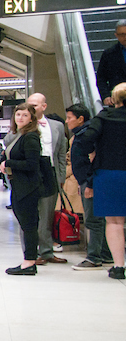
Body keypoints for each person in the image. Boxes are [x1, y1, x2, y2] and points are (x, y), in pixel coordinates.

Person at [71, 83, 126, 280]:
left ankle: (119, 266)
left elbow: (85, 141)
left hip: (109, 173)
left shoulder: (103, 117)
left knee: (114, 222)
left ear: (114, 99)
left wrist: (96, 152)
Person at [66, 103, 113, 270]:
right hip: (87, 180)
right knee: (98, 218)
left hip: (92, 181)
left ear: (80, 119)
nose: (67, 121)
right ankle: (105, 254)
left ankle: (94, 257)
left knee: (93, 220)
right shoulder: (82, 133)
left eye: (70, 118)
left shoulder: (88, 135)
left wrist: (89, 183)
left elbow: (94, 159)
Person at [25, 92, 68, 264]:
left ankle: (47, 252)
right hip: (30, 173)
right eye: (29, 104)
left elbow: (61, 155)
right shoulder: (22, 124)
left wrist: (61, 177)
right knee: (30, 216)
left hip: (50, 172)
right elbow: (9, 143)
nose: (31, 108)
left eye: (35, 105)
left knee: (47, 215)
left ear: (44, 106)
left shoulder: (57, 126)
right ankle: (31, 254)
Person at [0, 103, 44, 275]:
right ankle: (29, 260)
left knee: (29, 225)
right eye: (18, 114)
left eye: (25, 115)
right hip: (20, 186)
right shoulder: (21, 135)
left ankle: (29, 262)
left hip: (28, 187)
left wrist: (8, 163)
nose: (20, 118)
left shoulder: (30, 137)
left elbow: (32, 164)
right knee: (27, 225)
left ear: (32, 118)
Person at [96, 20, 126, 107]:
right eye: (122, 34)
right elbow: (101, 78)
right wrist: (106, 96)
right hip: (118, 101)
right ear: (116, 35)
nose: (125, 37)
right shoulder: (109, 54)